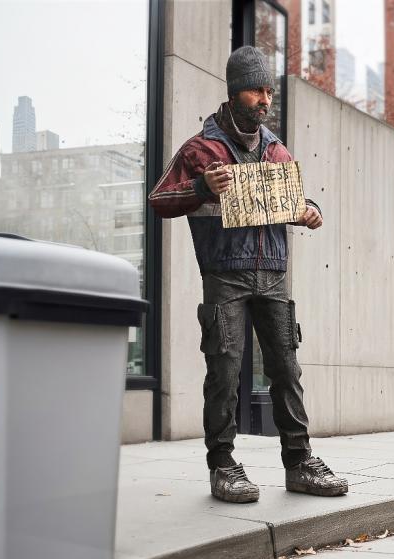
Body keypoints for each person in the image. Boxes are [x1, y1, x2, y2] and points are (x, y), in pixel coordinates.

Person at [148, 47, 347, 503]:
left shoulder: (276, 150)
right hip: (225, 275)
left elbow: (300, 199)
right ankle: (222, 465)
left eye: (269, 91)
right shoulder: (201, 150)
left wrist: (311, 211)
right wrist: (201, 186)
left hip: (275, 275)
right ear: (235, 91)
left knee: (286, 369)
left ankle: (299, 463)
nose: (265, 99)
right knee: (223, 369)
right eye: (258, 90)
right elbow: (159, 201)